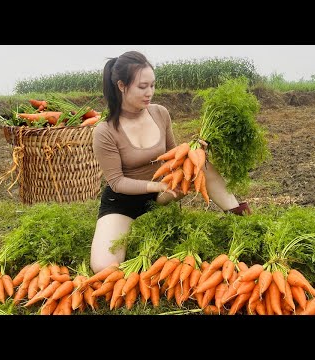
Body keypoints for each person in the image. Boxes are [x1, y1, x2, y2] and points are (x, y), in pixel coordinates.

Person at [90, 51, 251, 273]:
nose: (150, 93)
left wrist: (194, 151)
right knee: (103, 267)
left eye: (153, 85)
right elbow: (117, 182)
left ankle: (243, 221)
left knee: (200, 164)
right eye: (143, 87)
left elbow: (173, 154)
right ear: (121, 86)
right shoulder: (105, 130)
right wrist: (156, 185)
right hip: (123, 201)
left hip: (161, 194)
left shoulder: (159, 113)